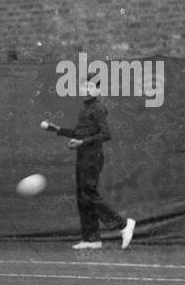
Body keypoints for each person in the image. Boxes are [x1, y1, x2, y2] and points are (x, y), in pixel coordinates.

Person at [41, 80, 136, 250]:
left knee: (89, 194)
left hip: (93, 157)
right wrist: (56, 129)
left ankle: (123, 224)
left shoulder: (98, 108)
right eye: (84, 86)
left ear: (98, 90)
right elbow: (78, 133)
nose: (86, 89)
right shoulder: (85, 109)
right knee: (83, 197)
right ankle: (91, 239)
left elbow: (106, 134)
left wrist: (82, 142)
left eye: (91, 86)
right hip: (83, 156)